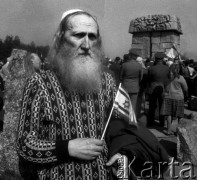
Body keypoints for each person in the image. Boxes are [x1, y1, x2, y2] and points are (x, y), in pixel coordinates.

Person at [16, 9, 129, 180]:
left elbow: (118, 126)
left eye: (92, 36)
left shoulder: (107, 81)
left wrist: (122, 152)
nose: (86, 44)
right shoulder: (39, 84)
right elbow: (24, 144)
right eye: (78, 35)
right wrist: (67, 148)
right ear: (61, 39)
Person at [161, 63, 188, 135]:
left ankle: (168, 131)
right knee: (179, 115)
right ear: (178, 69)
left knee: (169, 114)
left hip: (168, 96)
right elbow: (186, 88)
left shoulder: (166, 77)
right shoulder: (180, 78)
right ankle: (178, 131)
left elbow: (164, 86)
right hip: (178, 97)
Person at [147, 52, 170, 127]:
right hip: (163, 88)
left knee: (152, 106)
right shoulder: (167, 68)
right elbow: (168, 79)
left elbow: (149, 79)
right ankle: (162, 122)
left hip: (153, 88)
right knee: (162, 106)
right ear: (162, 59)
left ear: (156, 59)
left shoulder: (151, 68)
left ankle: (150, 122)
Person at [120, 50, 143, 115]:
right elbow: (141, 77)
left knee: (124, 104)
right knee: (133, 105)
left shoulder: (124, 65)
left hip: (125, 87)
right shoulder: (139, 66)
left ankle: (124, 118)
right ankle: (132, 119)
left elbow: (121, 77)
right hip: (135, 87)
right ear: (135, 57)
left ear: (130, 56)